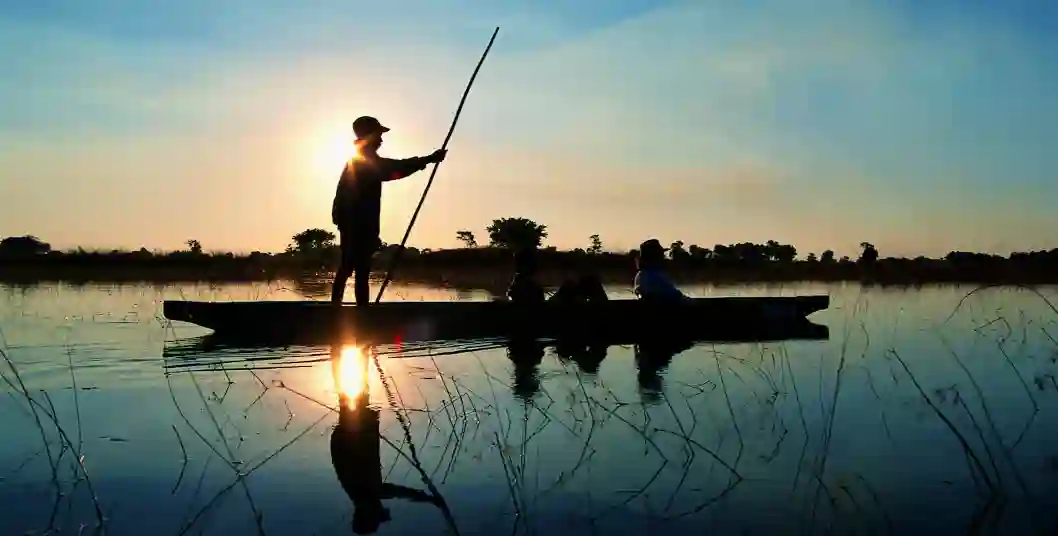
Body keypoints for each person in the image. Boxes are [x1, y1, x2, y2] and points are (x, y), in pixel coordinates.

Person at [331, 116, 448, 305]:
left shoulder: (359, 161)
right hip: (357, 225)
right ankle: (353, 313)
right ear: (369, 136)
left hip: (359, 225)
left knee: (354, 268)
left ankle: (346, 310)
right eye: (378, 135)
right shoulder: (362, 162)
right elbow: (392, 169)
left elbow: (393, 170)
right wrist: (427, 160)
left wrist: (425, 161)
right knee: (355, 268)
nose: (381, 140)